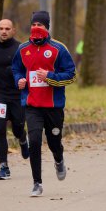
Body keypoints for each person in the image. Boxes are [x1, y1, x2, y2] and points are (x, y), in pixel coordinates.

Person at [12, 11, 76, 196]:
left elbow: (71, 75)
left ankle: (58, 159)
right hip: (32, 105)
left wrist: (50, 77)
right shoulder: (23, 49)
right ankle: (37, 183)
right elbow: (16, 68)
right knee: (35, 141)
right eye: (34, 24)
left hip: (53, 106)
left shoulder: (58, 49)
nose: (36, 27)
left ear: (47, 27)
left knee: (54, 140)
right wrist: (19, 80)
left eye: (40, 24)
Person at [0, 19, 29, 180]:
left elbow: (27, 69)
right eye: (1, 28)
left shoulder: (20, 49)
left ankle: (23, 140)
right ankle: (4, 167)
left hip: (17, 95)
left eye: (7, 29)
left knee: (17, 127)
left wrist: (19, 75)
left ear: (13, 31)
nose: (4, 31)